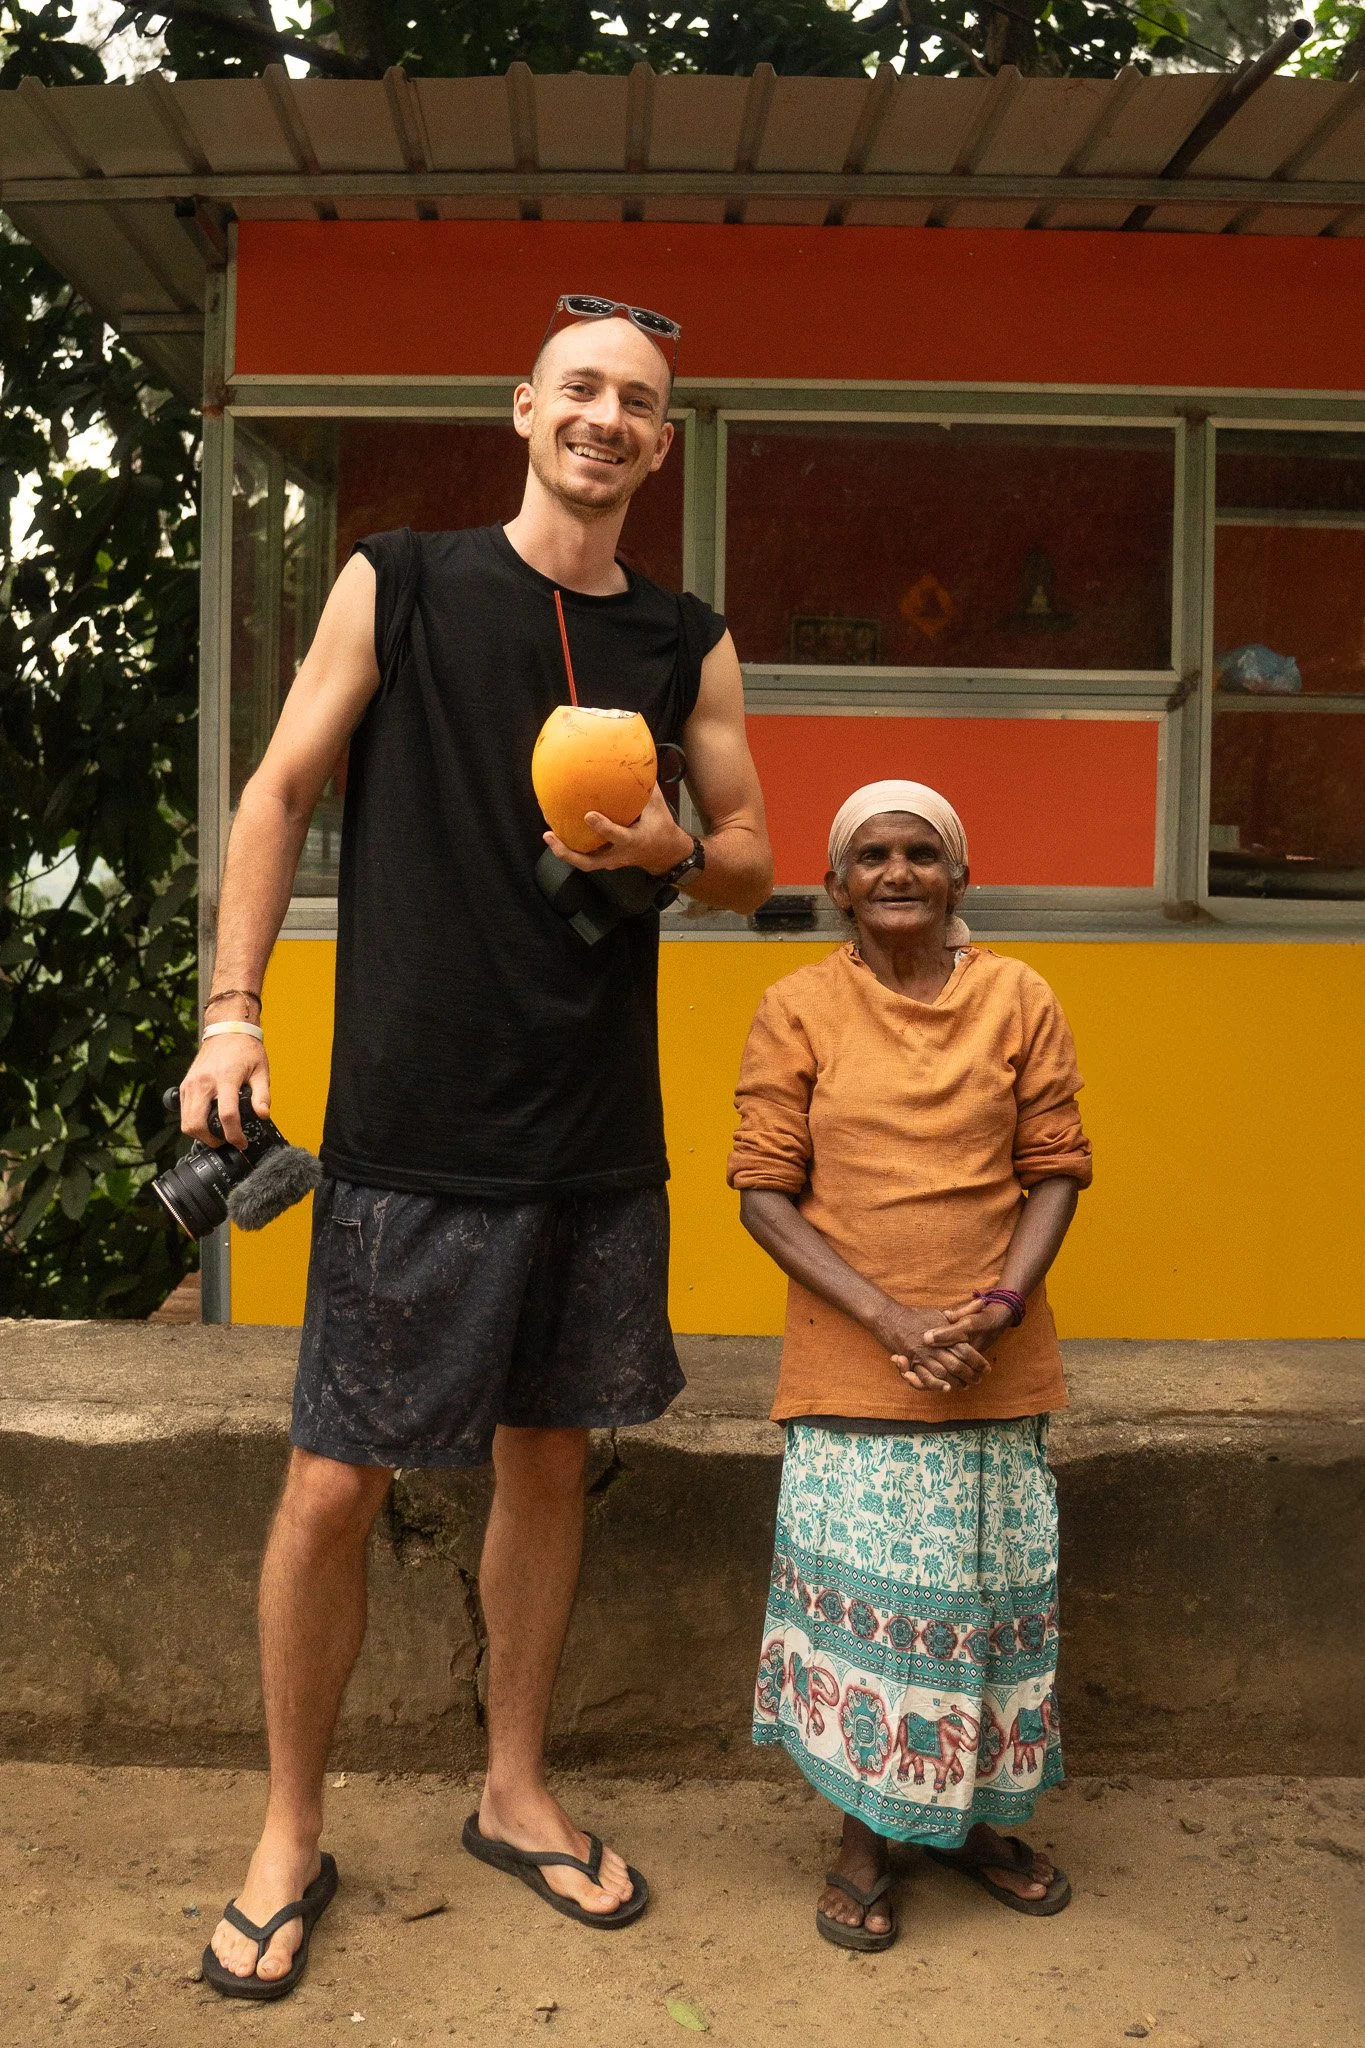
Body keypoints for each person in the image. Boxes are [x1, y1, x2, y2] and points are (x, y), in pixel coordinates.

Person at [182, 294, 772, 1999]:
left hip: (591, 1129)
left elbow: (749, 854)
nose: (606, 418)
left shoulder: (686, 638)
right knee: (332, 1480)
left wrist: (675, 843)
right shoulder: (408, 579)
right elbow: (280, 790)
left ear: (662, 444)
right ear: (524, 410)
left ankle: (513, 1788)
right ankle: (291, 1824)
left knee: (542, 1463)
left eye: (639, 402)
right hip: (413, 1125)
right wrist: (235, 1006)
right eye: (579, 388)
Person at [728, 779, 1091, 1951]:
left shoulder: (1019, 997)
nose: (896, 871)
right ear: (836, 885)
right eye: (871, 854)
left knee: (982, 1613)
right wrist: (889, 1317)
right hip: (855, 1367)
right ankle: (863, 1838)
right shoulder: (795, 1007)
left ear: (959, 878)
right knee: (872, 1624)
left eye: (920, 853)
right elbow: (763, 1191)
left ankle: (974, 1824)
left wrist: (993, 1304)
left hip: (994, 1356)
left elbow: (1056, 1165)